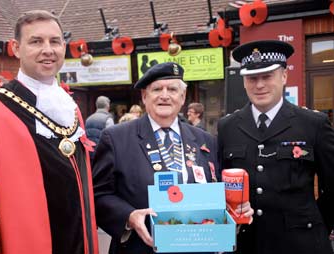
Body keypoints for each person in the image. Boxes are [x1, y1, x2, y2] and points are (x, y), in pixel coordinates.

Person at [0, 10, 98, 254]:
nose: (48, 49)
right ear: (16, 48)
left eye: (55, 41)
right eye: (36, 41)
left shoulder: (70, 107)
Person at [92, 62, 253, 254]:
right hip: (141, 248)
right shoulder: (116, 138)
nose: (165, 95)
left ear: (183, 97)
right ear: (144, 96)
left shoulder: (206, 140)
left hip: (198, 248)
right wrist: (129, 216)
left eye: (172, 89)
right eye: (157, 89)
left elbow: (216, 193)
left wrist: (235, 210)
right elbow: (98, 195)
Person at [218, 40, 334, 254]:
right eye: (252, 78)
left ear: (284, 76)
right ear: (244, 81)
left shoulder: (313, 124)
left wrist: (315, 225)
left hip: (302, 245)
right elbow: (219, 187)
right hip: (248, 244)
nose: (259, 85)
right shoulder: (227, 127)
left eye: (267, 76)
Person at [85, 95, 114, 160]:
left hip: (89, 154)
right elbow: (111, 138)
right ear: (108, 106)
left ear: (96, 105)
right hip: (103, 154)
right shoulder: (108, 119)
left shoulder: (88, 119)